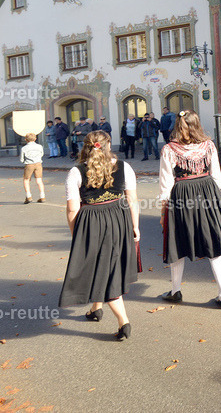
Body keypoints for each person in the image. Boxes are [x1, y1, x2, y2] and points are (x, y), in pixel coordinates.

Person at [59, 131, 139, 341]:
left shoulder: (76, 172)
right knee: (108, 265)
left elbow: (72, 209)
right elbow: (132, 199)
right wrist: (135, 226)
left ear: (85, 146)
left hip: (92, 222)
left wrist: (75, 232)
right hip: (118, 218)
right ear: (108, 145)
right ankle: (96, 309)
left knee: (103, 267)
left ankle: (124, 321)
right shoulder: (124, 166)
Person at [159, 110, 221, 307]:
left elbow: (166, 183)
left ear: (178, 126)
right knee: (213, 242)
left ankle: (175, 291)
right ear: (197, 124)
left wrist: (164, 207)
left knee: (178, 242)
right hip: (207, 191)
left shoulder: (170, 149)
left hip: (182, 193)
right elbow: (216, 176)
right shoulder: (208, 145)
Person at [20, 133, 46, 204]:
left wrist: (24, 161)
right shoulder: (39, 146)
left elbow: (21, 159)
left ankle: (28, 196)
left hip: (29, 164)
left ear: (26, 140)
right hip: (38, 164)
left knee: (26, 180)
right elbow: (42, 154)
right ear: (35, 139)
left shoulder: (24, 148)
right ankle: (42, 196)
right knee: (39, 180)